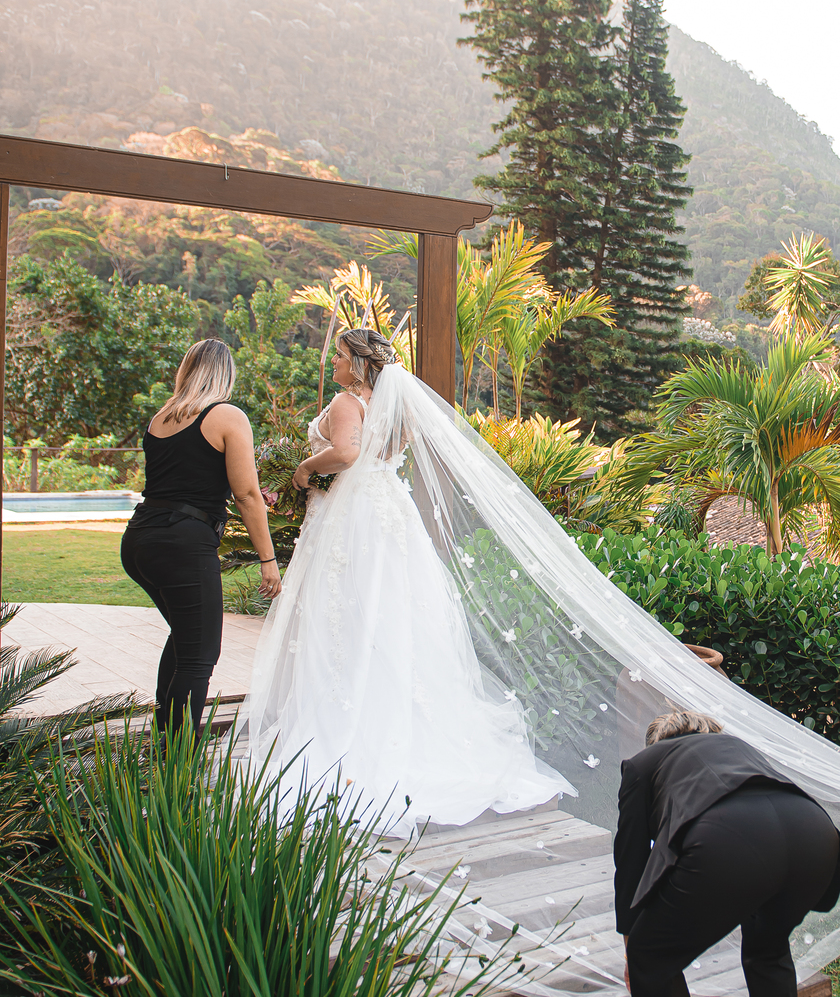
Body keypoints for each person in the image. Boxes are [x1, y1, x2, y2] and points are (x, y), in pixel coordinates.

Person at [245, 329, 570, 827]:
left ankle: (353, 715)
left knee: (348, 612)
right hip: (390, 510)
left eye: (338, 354)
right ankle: (395, 710)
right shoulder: (396, 402)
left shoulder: (348, 400)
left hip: (354, 516)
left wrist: (304, 469)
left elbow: (348, 455)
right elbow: (384, 453)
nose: (332, 361)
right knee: (392, 610)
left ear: (357, 362)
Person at [614, 710, 840, 997]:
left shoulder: (644, 763)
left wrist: (633, 940)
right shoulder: (739, 749)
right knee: (768, 950)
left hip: (731, 839)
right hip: (815, 835)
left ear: (657, 740)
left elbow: (631, 858)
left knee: (653, 956)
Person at [122, 339, 280, 742]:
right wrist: (268, 558)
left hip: (141, 539)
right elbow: (245, 494)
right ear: (225, 373)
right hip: (184, 543)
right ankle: (177, 761)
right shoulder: (226, 415)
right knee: (199, 656)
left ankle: (166, 739)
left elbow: (180, 478)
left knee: (185, 639)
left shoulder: (162, 416)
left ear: (187, 370)